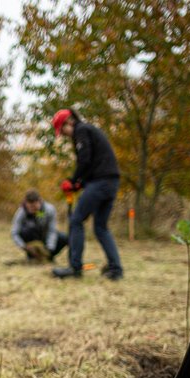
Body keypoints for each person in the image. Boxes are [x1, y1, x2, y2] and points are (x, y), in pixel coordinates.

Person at [50, 108, 124, 280]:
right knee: (100, 227)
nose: (64, 134)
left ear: (69, 121)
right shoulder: (89, 131)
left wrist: (73, 180)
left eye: (62, 130)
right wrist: (78, 184)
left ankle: (74, 268)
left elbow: (85, 160)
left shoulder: (81, 130)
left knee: (76, 220)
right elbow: (93, 164)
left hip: (101, 182)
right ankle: (115, 269)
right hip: (111, 182)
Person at [10, 189, 68, 262]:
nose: (33, 210)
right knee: (25, 231)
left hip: (46, 238)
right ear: (25, 203)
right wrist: (24, 246)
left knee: (63, 237)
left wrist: (49, 248)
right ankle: (32, 256)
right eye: (30, 207)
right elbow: (14, 233)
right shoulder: (21, 212)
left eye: (35, 207)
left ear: (40, 201)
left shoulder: (49, 210)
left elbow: (52, 230)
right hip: (32, 240)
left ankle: (49, 256)